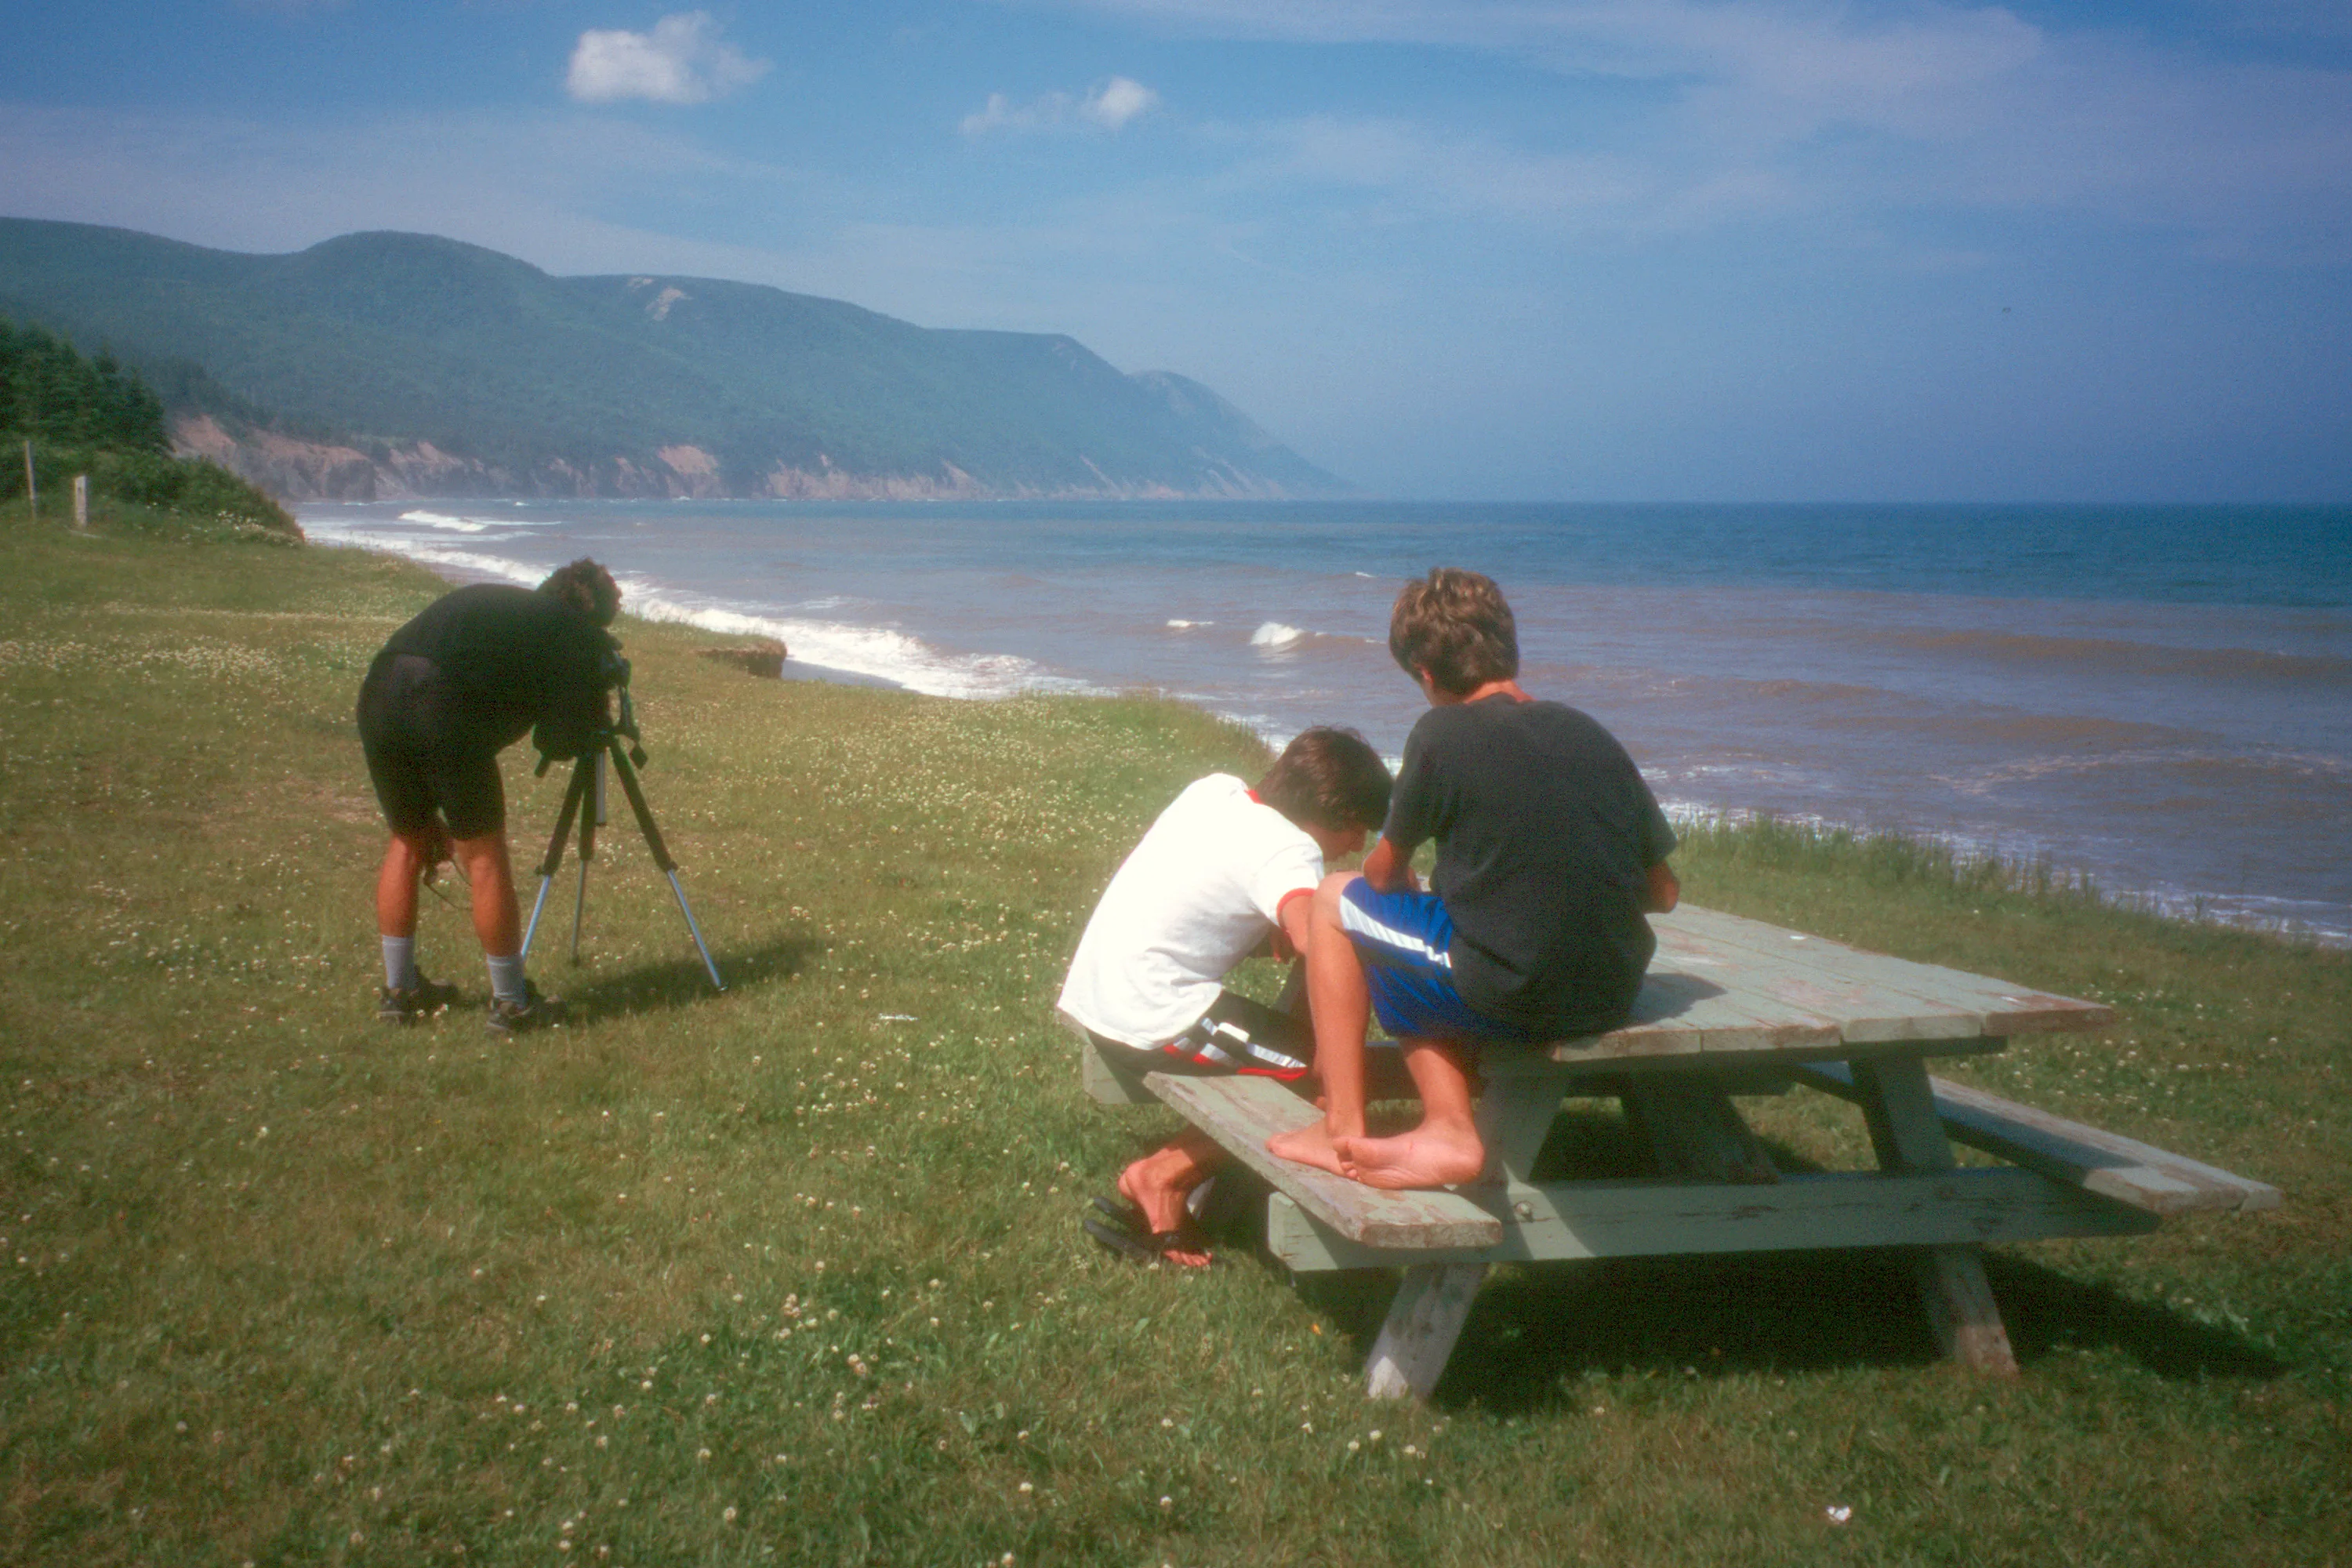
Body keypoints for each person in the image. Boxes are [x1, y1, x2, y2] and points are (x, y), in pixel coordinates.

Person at [1267, 568, 1680, 1190]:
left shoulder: (1441, 734)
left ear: (1426, 675)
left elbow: (1379, 875)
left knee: (1335, 902)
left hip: (1516, 994)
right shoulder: (1588, 732)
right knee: (1433, 938)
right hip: (1612, 990)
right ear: (1508, 646)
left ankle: (1352, 1128)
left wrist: (1406, 876)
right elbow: (1664, 893)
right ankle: (1443, 1123)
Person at [1058, 727, 1394, 1266]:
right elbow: (1317, 943)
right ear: (1329, 814)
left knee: (1314, 1058)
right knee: (1329, 1079)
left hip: (1100, 991)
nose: (1356, 845)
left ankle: (1178, 1178)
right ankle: (1162, 1177)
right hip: (1151, 1013)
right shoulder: (1291, 849)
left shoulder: (1215, 791)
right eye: (1357, 828)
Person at [357, 559, 622, 1033]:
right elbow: (557, 741)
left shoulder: (513, 610)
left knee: (408, 842)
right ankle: (511, 1003)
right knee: (483, 856)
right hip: (441, 701)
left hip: (380, 691)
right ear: (593, 615)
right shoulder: (569, 631)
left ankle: (400, 992)